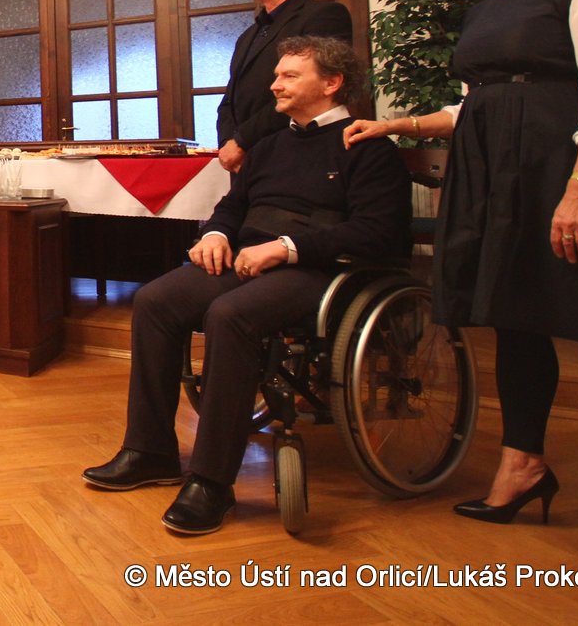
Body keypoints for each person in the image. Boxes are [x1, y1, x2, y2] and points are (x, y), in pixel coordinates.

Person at [345, 0, 578, 579]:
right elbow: (477, 102)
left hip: (566, 173)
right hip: (497, 181)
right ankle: (522, 466)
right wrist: (399, 124)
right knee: (516, 321)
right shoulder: (491, 6)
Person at [84, 36, 409, 535]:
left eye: (289, 76)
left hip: (320, 271)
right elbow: (233, 207)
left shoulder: (369, 149)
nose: (275, 84)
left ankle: (212, 481)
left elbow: (377, 232)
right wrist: (215, 234)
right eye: (277, 75)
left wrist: (285, 247)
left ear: (331, 82)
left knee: (230, 316)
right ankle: (150, 451)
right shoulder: (271, 145)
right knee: (154, 301)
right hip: (247, 259)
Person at [215, 0, 351, 174]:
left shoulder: (324, 16)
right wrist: (227, 142)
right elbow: (230, 98)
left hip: (297, 153)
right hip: (243, 161)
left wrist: (242, 140)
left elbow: (308, 91)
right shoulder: (247, 35)